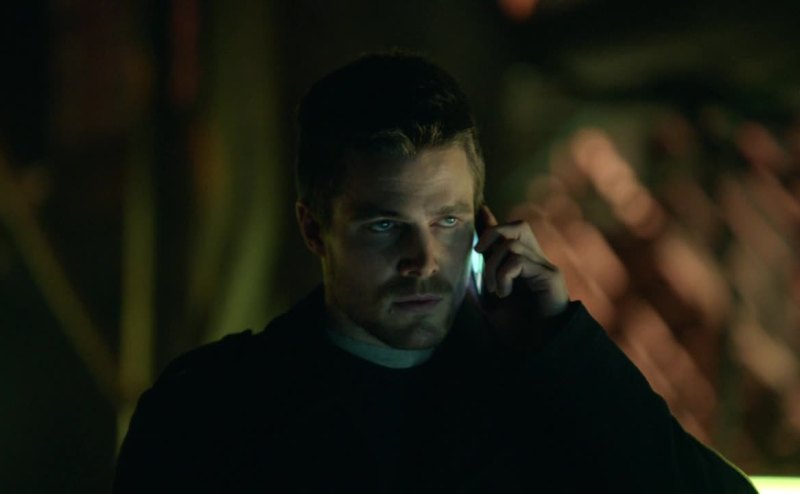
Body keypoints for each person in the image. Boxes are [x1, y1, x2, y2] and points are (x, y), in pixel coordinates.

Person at [114, 53, 757, 493]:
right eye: (384, 225)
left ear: (483, 220)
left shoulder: (547, 395)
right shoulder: (211, 409)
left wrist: (563, 342)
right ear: (314, 230)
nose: (423, 260)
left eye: (448, 221)